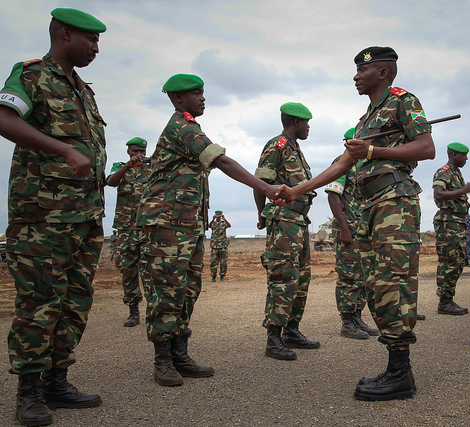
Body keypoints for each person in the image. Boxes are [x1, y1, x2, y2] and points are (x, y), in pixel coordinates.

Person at [280, 46, 436, 401]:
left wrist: (374, 151)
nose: (355, 77)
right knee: (377, 287)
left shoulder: (402, 101)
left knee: (393, 284)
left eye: (361, 71)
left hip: (395, 203)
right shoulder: (368, 117)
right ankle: (397, 368)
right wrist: (296, 190)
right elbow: (341, 166)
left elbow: (426, 148)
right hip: (370, 208)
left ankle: (401, 373)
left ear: (382, 72)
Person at [137, 74, 283, 387]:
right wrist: (266, 188)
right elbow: (222, 161)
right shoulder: (182, 127)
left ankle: (179, 353)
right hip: (166, 226)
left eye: (203, 92)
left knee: (188, 289)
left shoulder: (191, 127)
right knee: (167, 290)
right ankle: (162, 360)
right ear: (178, 99)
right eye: (195, 93)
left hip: (187, 225)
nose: (203, 98)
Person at [0, 8, 107, 426]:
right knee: (40, 303)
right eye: (90, 40)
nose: (96, 48)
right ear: (64, 35)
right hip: (42, 218)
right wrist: (62, 149)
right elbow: (4, 118)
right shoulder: (31, 75)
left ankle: (57, 382)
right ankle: (28, 393)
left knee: (74, 302)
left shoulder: (84, 90)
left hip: (84, 218)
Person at [254, 102, 320, 361]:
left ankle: (291, 330)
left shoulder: (296, 149)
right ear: (295, 122)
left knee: (301, 278)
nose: (308, 127)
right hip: (283, 220)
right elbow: (260, 182)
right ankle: (273, 338)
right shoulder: (277, 145)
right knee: (283, 278)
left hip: (299, 221)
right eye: (306, 123)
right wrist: (262, 214)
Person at [325, 128, 379, 340]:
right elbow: (333, 196)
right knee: (348, 275)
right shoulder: (342, 163)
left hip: (364, 231)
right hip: (349, 230)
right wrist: (345, 229)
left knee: (362, 276)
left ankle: (357, 316)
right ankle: (347, 322)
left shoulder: (364, 165)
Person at [106, 137, 151, 327]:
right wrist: (128, 167)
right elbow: (110, 182)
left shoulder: (152, 168)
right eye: (135, 152)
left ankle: (153, 311)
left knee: (151, 271)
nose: (139, 155)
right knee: (128, 271)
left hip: (148, 227)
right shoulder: (120, 167)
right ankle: (133, 311)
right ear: (128, 153)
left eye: (142, 151)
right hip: (126, 229)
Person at [432, 142, 470, 315]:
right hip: (448, 222)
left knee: (457, 262)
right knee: (448, 262)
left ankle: (448, 299)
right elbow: (438, 194)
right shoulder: (445, 171)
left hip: (457, 222)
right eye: (463, 155)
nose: (466, 158)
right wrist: (463, 190)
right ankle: (444, 302)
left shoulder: (456, 173)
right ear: (454, 155)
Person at [208, 210, 231, 282]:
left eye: (218, 215)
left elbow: (229, 225)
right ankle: (213, 276)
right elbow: (209, 226)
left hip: (223, 245)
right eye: (216, 214)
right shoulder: (213, 223)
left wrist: (224, 219)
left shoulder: (223, 223)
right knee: (213, 262)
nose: (217, 216)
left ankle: (222, 276)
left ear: (221, 215)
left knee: (223, 262)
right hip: (214, 246)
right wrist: (213, 219)